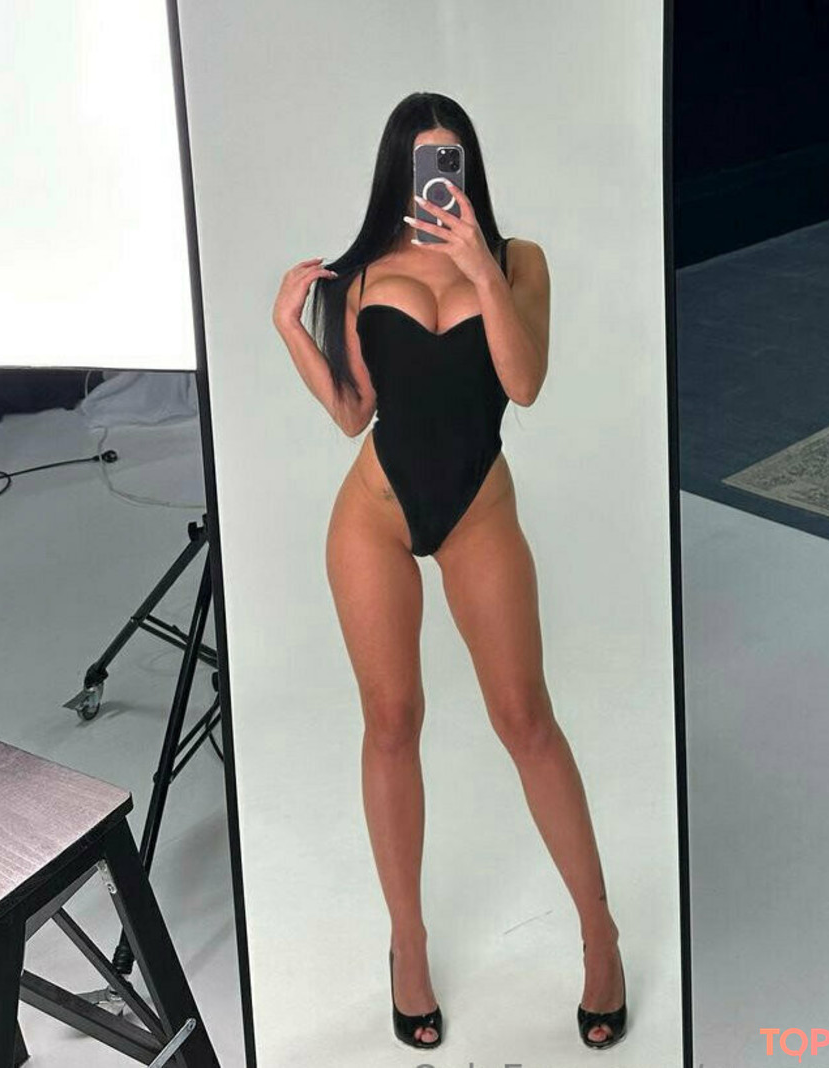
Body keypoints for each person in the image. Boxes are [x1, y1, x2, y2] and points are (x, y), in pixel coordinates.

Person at [271, 91, 627, 1052]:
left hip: (478, 510)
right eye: (424, 157)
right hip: (374, 516)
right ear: (397, 168)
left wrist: (477, 267)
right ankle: (410, 943)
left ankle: (600, 935)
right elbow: (354, 415)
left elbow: (525, 384)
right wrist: (292, 329)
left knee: (526, 719)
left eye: (453, 156)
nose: (439, 173)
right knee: (392, 722)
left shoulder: (518, 261)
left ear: (470, 166)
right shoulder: (361, 276)